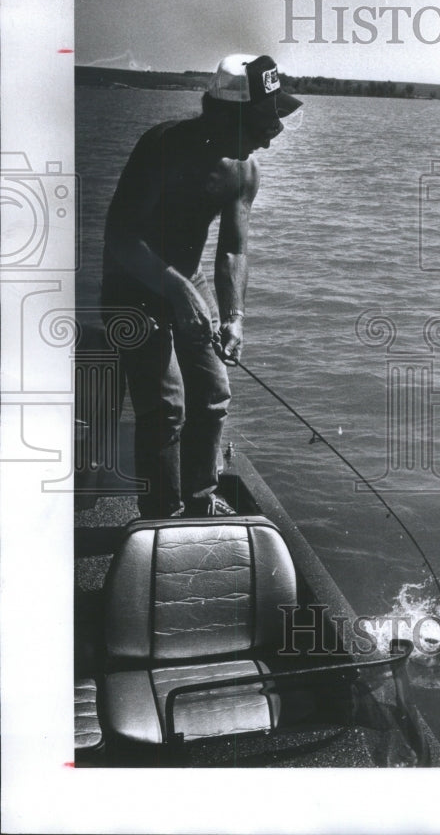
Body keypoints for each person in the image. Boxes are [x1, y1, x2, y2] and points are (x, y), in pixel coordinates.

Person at [101, 54, 302, 518]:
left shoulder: (243, 172)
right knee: (167, 405)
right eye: (262, 125)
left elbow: (233, 249)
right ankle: (161, 516)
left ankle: (198, 500)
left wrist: (235, 318)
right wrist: (173, 287)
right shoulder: (162, 146)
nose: (270, 140)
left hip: (187, 284)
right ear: (229, 115)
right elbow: (120, 237)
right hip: (133, 283)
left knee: (213, 395)